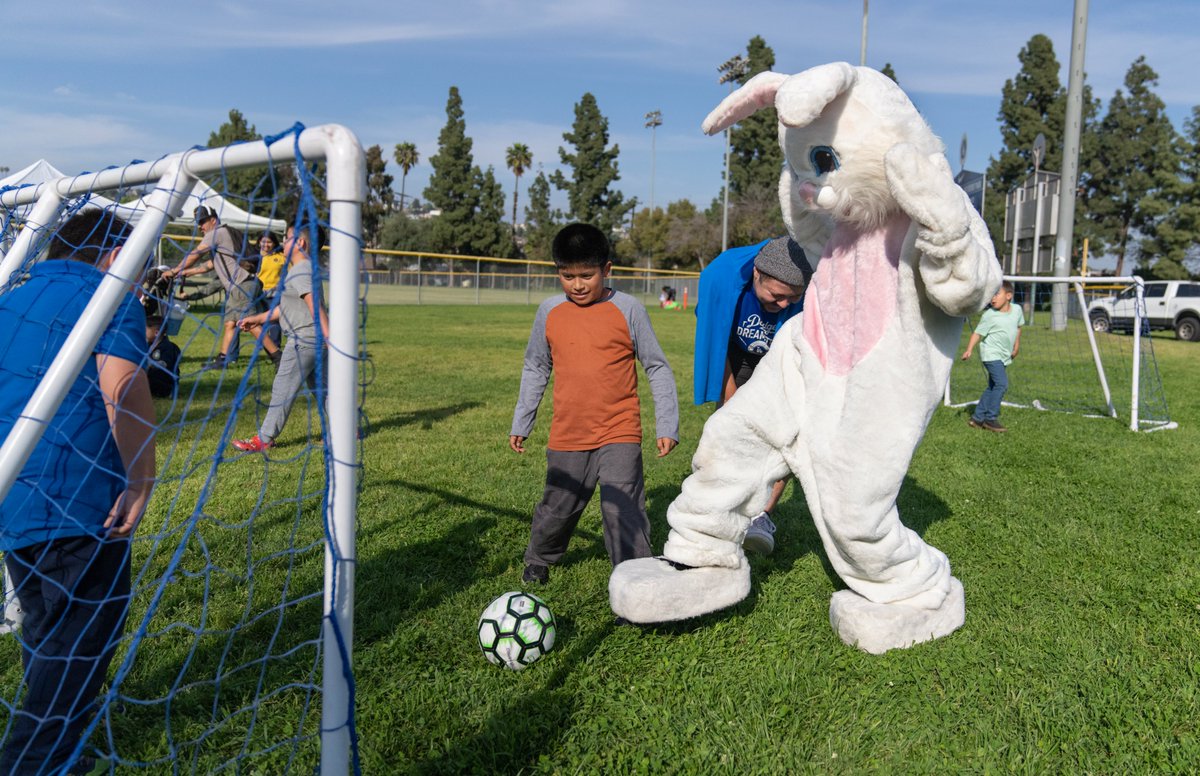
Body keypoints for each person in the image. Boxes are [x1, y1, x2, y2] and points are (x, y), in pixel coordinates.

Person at [0, 210, 156, 774]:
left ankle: (64, 749)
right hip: (83, 502)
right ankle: (31, 763)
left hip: (13, 496)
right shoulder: (108, 298)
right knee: (79, 640)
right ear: (115, 255)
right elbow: (122, 383)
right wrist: (141, 477)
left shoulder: (11, 296)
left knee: (45, 634)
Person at [510, 223, 679, 586]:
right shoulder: (549, 312)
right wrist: (522, 421)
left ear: (607, 270)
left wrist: (666, 423)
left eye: (586, 275)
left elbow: (656, 366)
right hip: (569, 432)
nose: (577, 284)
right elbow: (536, 365)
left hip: (619, 428)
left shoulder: (628, 309)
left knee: (625, 508)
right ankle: (540, 557)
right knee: (559, 506)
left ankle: (635, 578)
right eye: (567, 276)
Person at [692, 236, 812, 555]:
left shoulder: (804, 299)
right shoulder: (723, 279)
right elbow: (718, 346)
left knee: (785, 431)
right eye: (777, 296)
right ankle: (725, 500)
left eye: (793, 298)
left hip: (782, 355)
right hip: (735, 353)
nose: (785, 304)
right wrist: (731, 406)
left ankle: (761, 515)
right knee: (731, 425)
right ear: (757, 274)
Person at [231, 226, 328, 452]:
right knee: (324, 391)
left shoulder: (301, 270)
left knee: (282, 389)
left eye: (287, 239)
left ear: (301, 244)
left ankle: (264, 439)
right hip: (315, 342)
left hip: (303, 341)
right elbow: (288, 307)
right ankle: (346, 431)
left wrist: (329, 336)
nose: (283, 243)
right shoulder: (304, 269)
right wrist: (258, 319)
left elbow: (315, 307)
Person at [162, 205, 259, 370]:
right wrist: (186, 272)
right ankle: (222, 360)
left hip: (242, 284)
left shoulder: (215, 234)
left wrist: (175, 270)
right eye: (198, 223)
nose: (200, 226)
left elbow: (195, 254)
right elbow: (207, 265)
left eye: (203, 221)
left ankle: (277, 355)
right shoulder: (222, 236)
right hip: (241, 285)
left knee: (251, 324)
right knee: (230, 323)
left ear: (213, 220)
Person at [962, 280, 1024, 433]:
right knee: (1001, 384)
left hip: (1004, 355)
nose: (992, 298)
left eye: (996, 294)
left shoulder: (1017, 310)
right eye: (991, 295)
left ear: (1008, 295)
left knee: (992, 386)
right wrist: (969, 349)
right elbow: (977, 333)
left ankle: (977, 418)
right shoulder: (989, 315)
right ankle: (990, 419)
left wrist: (1016, 346)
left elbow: (1018, 327)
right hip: (991, 355)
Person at [145, 314, 182, 398]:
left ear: (156, 333)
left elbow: (164, 364)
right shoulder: (148, 345)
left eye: (145, 330)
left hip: (164, 381)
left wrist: (149, 364)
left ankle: (168, 392)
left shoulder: (167, 347)